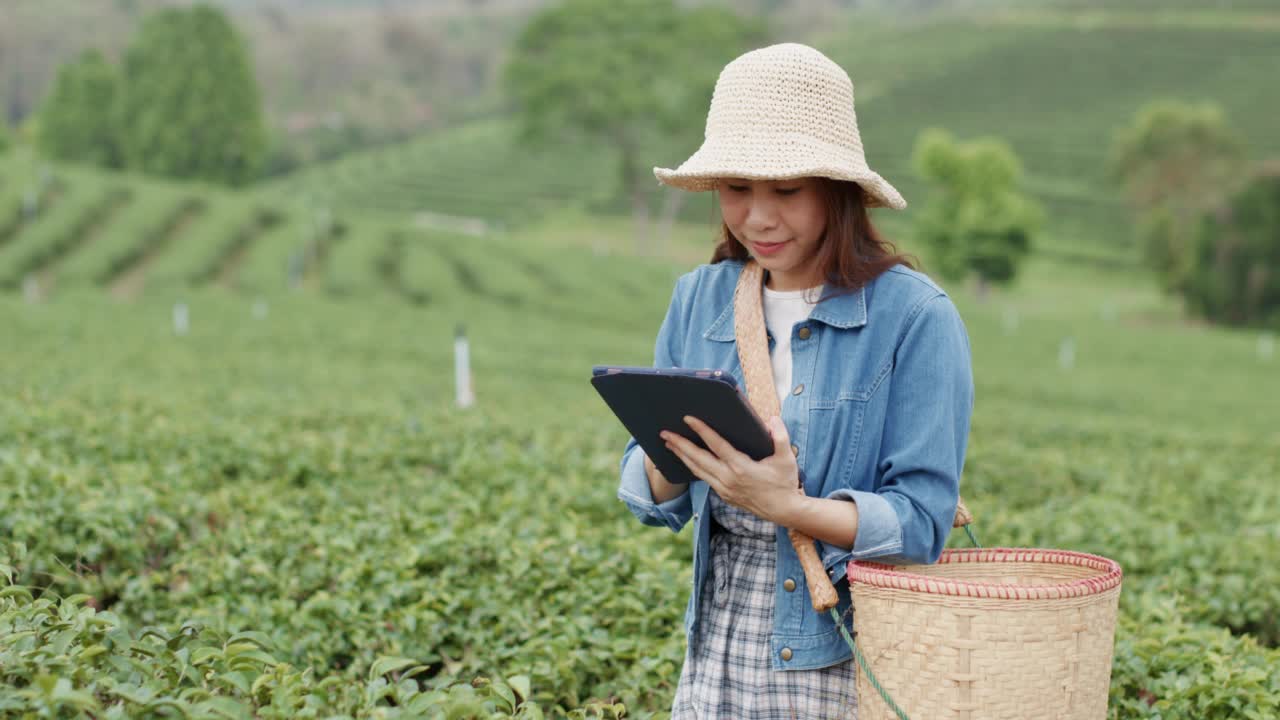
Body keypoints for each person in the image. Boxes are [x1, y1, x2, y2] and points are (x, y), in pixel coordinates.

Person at [615, 43, 974, 718]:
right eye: (737, 189)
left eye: (786, 191)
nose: (757, 217)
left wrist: (786, 505)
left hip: (838, 636)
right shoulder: (699, 298)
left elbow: (922, 523)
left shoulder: (914, 318)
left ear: (837, 191)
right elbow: (645, 490)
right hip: (717, 637)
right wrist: (675, 458)